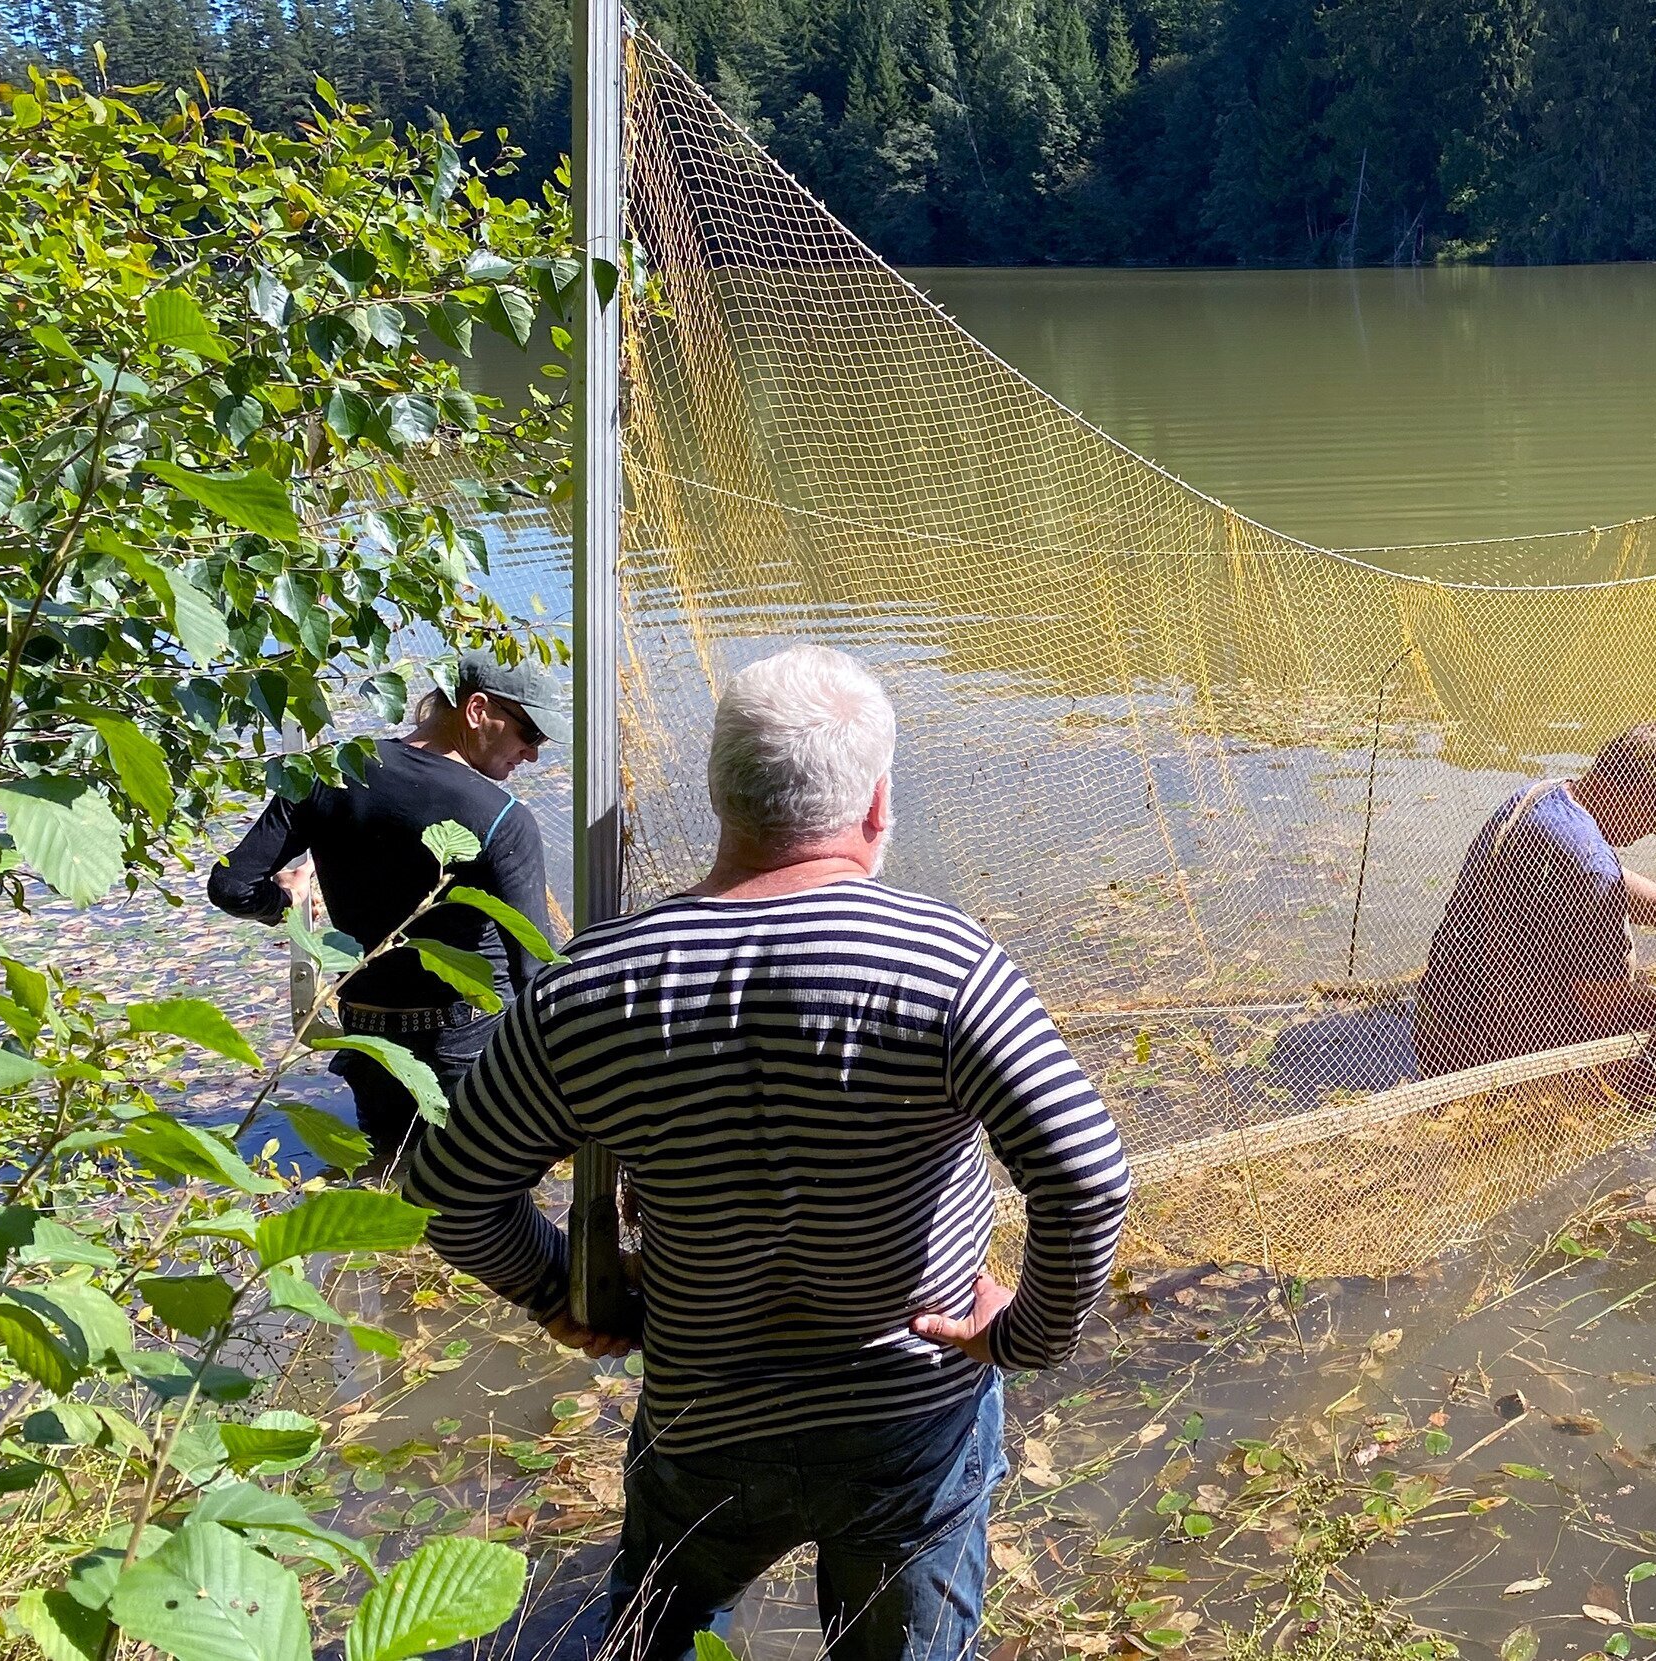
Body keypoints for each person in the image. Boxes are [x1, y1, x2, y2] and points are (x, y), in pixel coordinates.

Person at [400, 644, 1131, 1661]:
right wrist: (1028, 1334)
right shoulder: (949, 963)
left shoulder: (586, 985)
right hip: (910, 1415)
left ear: (719, 796)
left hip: (704, 1409)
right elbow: (1087, 1175)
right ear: (877, 803)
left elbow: (446, 1192)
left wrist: (562, 1293)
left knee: (659, 1631)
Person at [207, 650, 563, 1166]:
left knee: (390, 1182)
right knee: (479, 1197)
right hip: (467, 1046)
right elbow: (532, 968)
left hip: (369, 1041)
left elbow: (231, 887)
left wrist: (286, 898)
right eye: (530, 735)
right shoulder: (504, 820)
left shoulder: (325, 773)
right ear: (478, 710)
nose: (533, 755)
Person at [1414, 721, 1656, 1077]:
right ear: (1626, 793)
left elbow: (1610, 883)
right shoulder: (1590, 863)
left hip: (1438, 1009)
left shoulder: (1546, 793)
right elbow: (1603, 1014)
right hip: (1493, 1044)